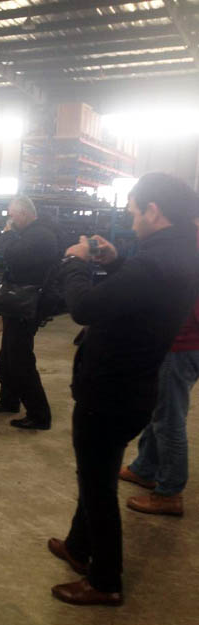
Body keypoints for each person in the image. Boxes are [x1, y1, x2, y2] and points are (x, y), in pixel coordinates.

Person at [48, 173, 199, 606]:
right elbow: (136, 294)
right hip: (134, 386)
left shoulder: (154, 262)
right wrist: (115, 262)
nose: (132, 221)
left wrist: (75, 261)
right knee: (95, 473)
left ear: (154, 210)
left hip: (110, 391)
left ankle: (105, 581)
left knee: (97, 487)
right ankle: (78, 547)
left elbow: (85, 307)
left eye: (134, 213)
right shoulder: (180, 253)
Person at [120, 220, 199, 516]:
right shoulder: (187, 240)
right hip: (179, 342)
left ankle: (169, 492)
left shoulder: (190, 244)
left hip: (180, 345)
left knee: (168, 419)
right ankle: (145, 468)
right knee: (160, 409)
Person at [0, 196, 59, 430]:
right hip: (18, 303)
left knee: (20, 359)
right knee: (7, 356)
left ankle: (39, 415)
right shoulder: (33, 233)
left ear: (24, 214)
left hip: (27, 306)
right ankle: (9, 400)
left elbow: (12, 256)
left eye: (13, 215)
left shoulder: (40, 235)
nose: (11, 220)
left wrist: (7, 235)